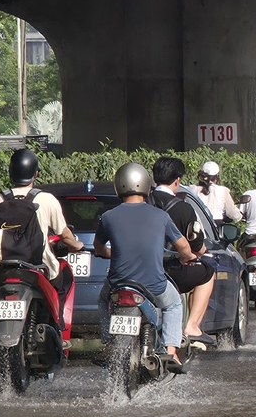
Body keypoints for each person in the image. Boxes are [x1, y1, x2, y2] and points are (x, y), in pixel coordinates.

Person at [94, 162, 197, 373]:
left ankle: (108, 344)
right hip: (153, 284)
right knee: (174, 304)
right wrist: (187, 257)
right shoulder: (161, 216)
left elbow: (99, 247)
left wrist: (111, 253)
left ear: (119, 185)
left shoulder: (108, 217)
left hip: (118, 284)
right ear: (145, 185)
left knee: (103, 300)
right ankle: (171, 350)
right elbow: (184, 246)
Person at [0, 147, 81, 307]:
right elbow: (65, 235)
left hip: (2, 270)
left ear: (11, 172)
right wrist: (78, 245)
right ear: (36, 173)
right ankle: (58, 329)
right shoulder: (47, 200)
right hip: (41, 268)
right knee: (60, 290)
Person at [149, 156, 219, 347]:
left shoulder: (142, 204)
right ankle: (192, 327)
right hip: (170, 270)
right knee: (207, 272)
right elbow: (197, 247)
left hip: (140, 269)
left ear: (154, 179)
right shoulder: (183, 208)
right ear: (177, 180)